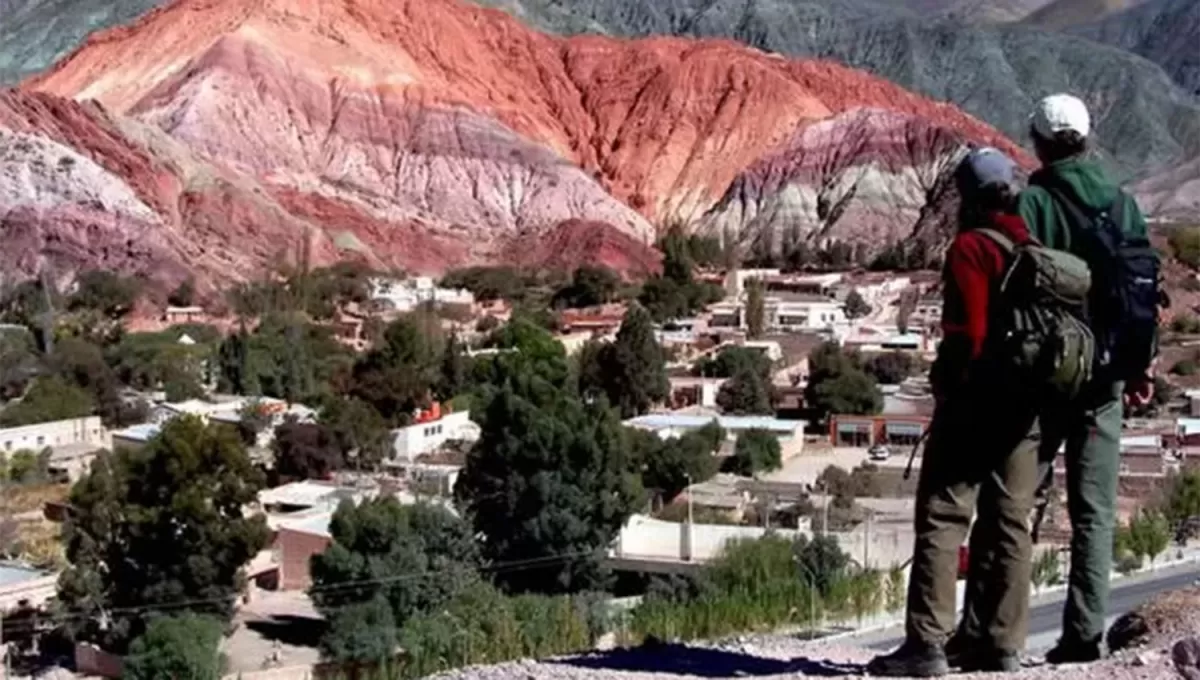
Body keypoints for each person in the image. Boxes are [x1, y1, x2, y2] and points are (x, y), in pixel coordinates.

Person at [867, 148, 1041, 677]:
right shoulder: (1033, 244)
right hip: (1027, 405)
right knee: (1011, 522)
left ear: (967, 196)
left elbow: (968, 333)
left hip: (975, 402)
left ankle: (927, 645)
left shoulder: (971, 248)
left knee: (944, 516)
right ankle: (1002, 644)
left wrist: (949, 383)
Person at [1016, 93, 1157, 663]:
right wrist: (1140, 363)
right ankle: (1082, 638)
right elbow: (1141, 291)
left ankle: (1000, 634)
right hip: (1107, 384)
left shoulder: (1032, 204)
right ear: (1088, 137)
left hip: (1043, 380)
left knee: (1017, 504)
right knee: (1093, 513)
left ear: (1040, 143)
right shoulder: (1124, 204)